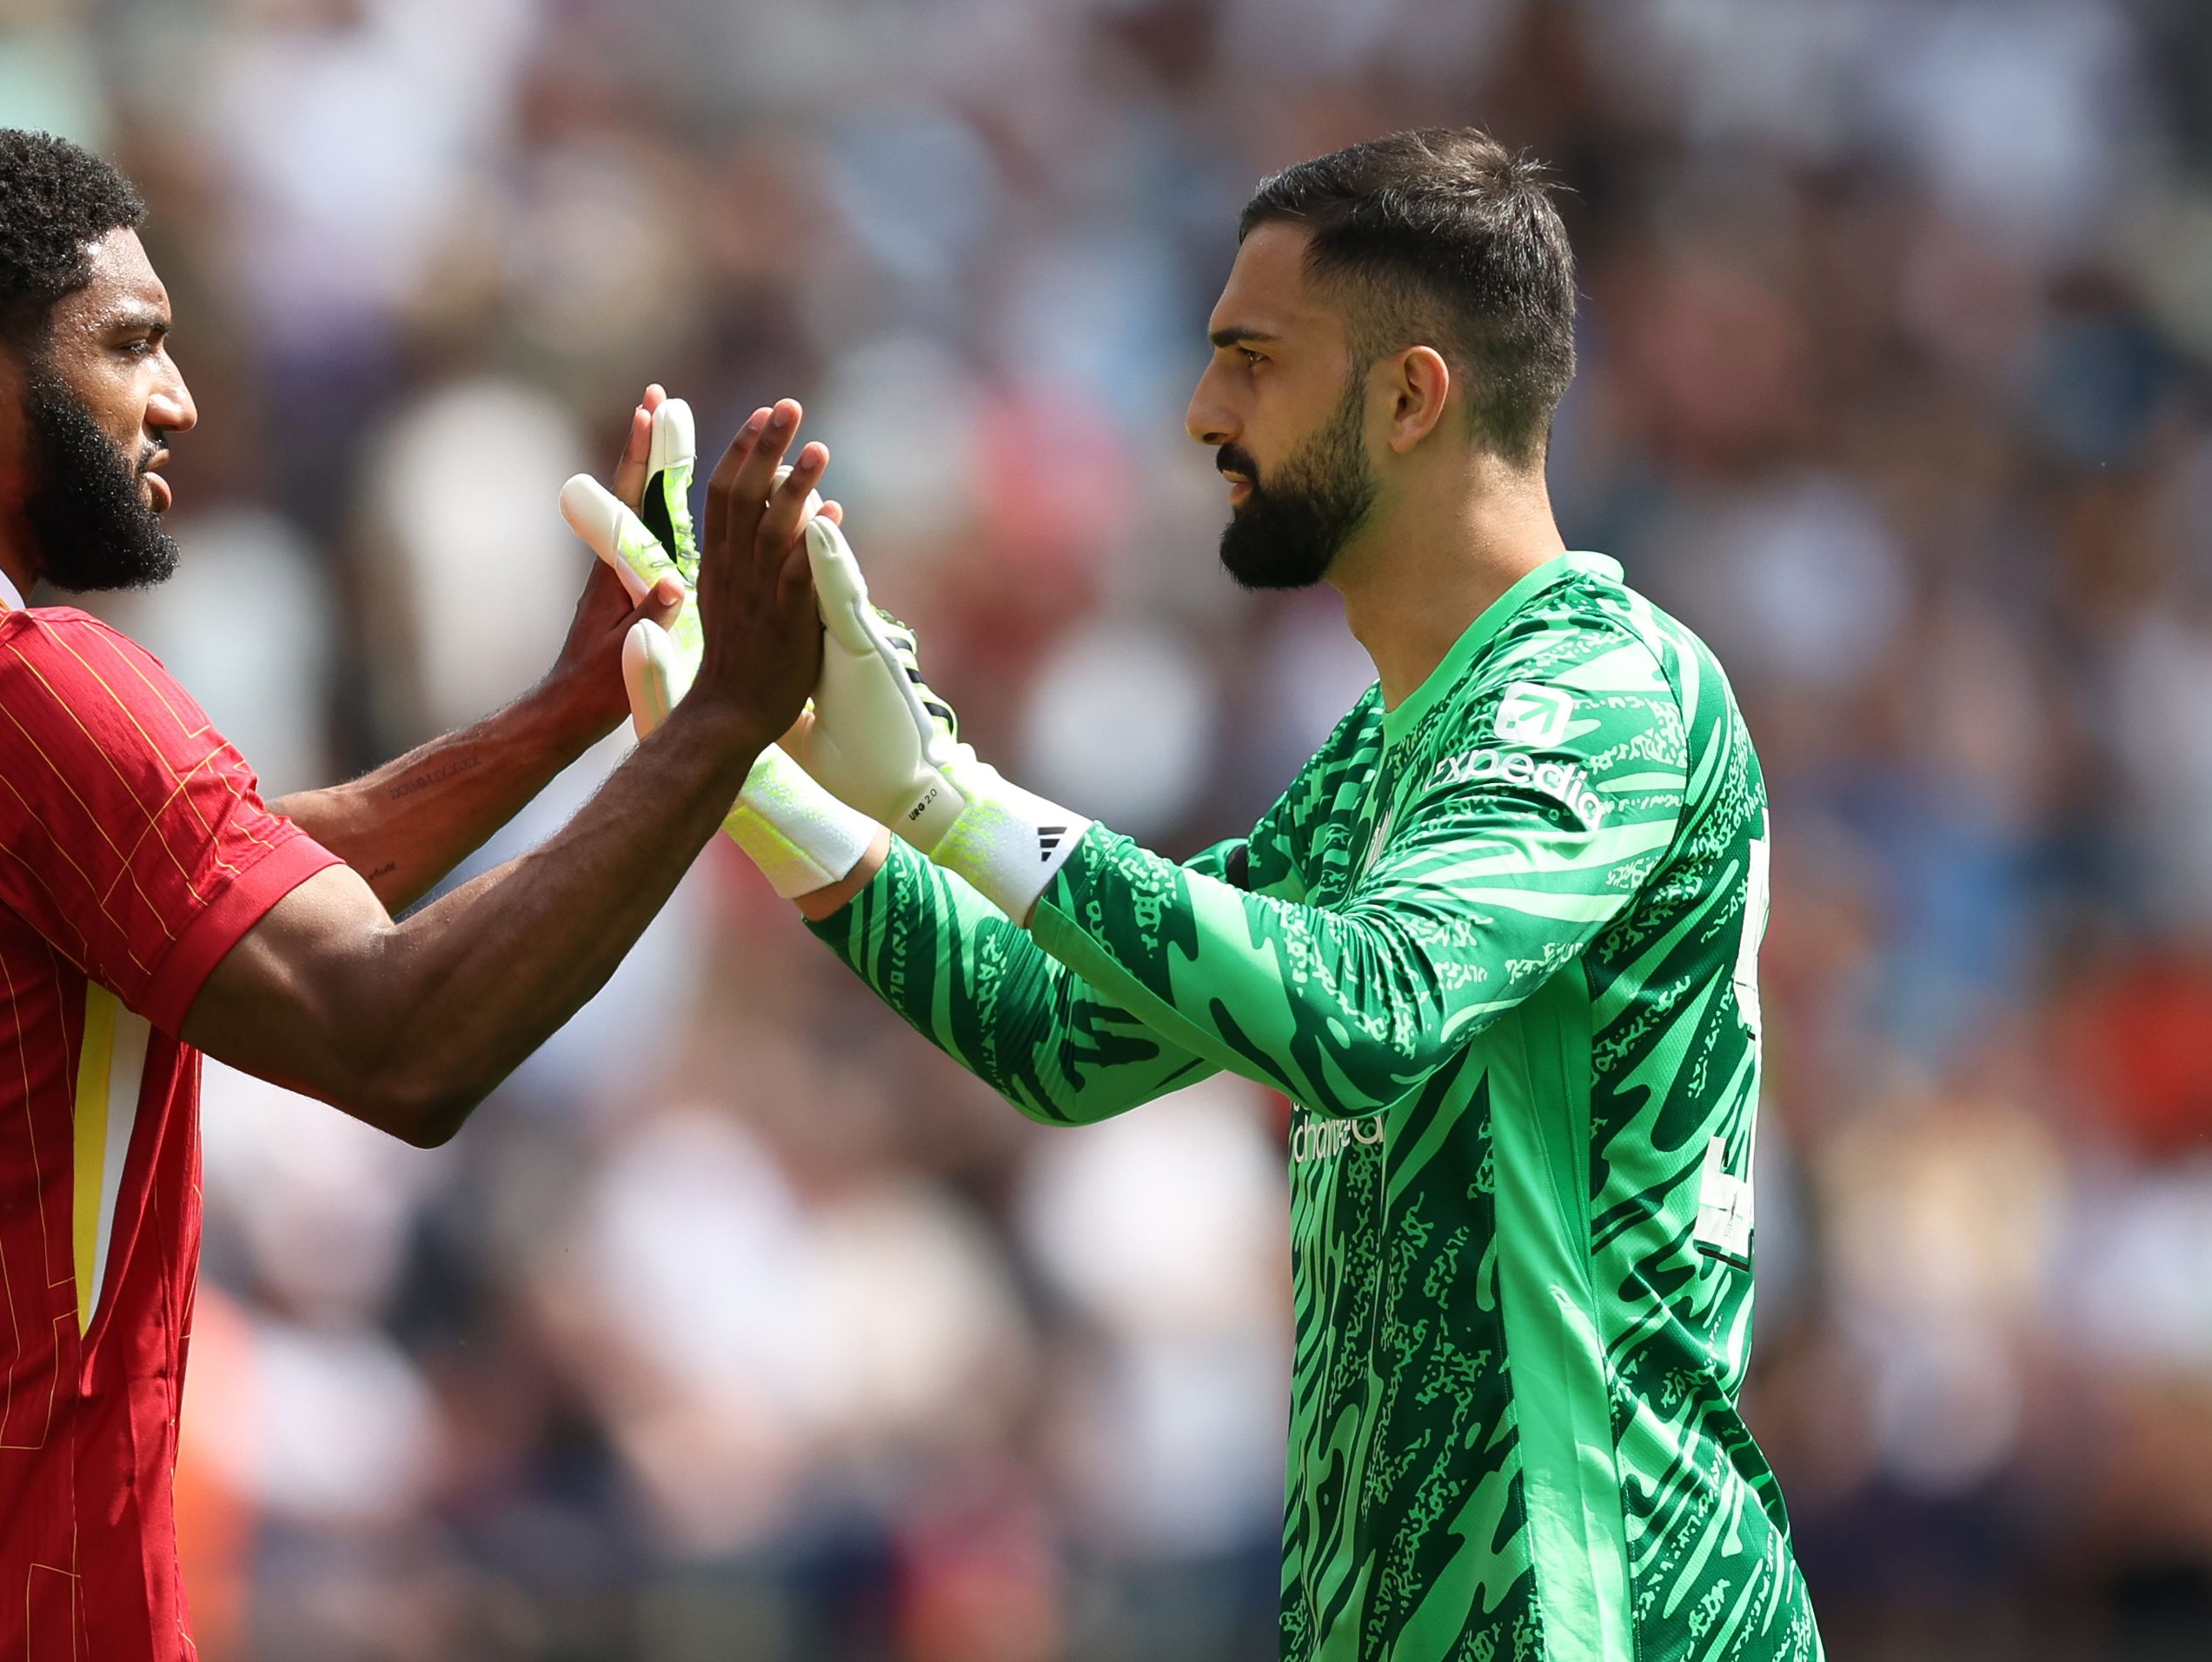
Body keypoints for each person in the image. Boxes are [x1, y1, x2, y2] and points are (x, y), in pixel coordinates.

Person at [584, 128, 1823, 1661]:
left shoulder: (1605, 693)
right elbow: (1056, 1034)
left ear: (1410, 395)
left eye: (1251, 360)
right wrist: (759, 776)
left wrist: (948, 794)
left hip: (1613, 1618)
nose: (1200, 413)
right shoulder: (1391, 748)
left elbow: (1368, 1011)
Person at [0, 122, 832, 1659]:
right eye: (131, 346)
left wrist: (564, 712)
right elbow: (399, 1040)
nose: (177, 401)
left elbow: (192, 876)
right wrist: (722, 728)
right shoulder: (9, 684)